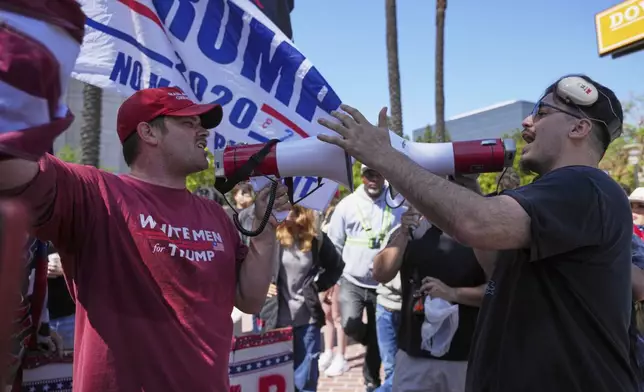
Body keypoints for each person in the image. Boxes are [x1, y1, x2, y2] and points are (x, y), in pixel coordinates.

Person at [317, 74, 636, 391]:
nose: (527, 122)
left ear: (579, 127)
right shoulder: (563, 193)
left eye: (541, 111)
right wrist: (462, 193)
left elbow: (475, 223)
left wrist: (385, 157)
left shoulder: (584, 185)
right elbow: (495, 269)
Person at [0, 86, 291, 392]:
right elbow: (13, 167)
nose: (203, 132)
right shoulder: (96, 194)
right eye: (188, 123)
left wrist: (265, 227)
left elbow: (250, 298)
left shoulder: (215, 215)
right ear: (149, 132)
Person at [373, 176, 487, 392]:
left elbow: (495, 289)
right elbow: (380, 273)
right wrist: (403, 233)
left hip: (463, 357)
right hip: (413, 355)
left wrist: (454, 293)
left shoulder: (479, 236)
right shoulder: (413, 230)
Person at [326, 165, 403, 390]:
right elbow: (334, 244)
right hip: (353, 280)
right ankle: (373, 340)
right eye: (369, 174)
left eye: (379, 174)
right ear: (362, 176)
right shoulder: (347, 205)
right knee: (350, 324)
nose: (374, 179)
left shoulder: (396, 203)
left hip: (384, 284)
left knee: (380, 335)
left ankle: (371, 381)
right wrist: (332, 280)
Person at [257, 205, 344, 392]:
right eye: (284, 210)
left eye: (295, 211)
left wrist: (318, 286)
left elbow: (337, 265)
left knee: (305, 380)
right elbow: (250, 266)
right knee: (276, 377)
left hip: (307, 319)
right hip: (276, 320)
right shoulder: (270, 236)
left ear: (304, 213)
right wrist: (261, 286)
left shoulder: (315, 239)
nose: (289, 214)